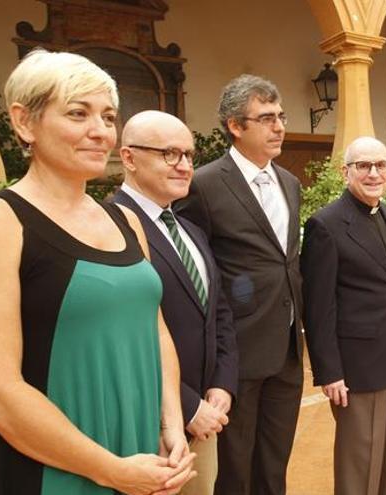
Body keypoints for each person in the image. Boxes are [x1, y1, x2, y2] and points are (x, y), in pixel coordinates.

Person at [0, 49, 195, 494]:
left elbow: (155, 330)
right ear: (25, 122)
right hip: (50, 470)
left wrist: (172, 426)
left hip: (138, 456)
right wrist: (110, 470)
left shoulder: (126, 220)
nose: (99, 131)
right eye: (78, 114)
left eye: (109, 116)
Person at [176, 74, 303, 495]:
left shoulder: (290, 183)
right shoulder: (204, 185)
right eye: (266, 118)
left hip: (286, 347)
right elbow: (196, 270)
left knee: (275, 460)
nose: (280, 126)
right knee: (235, 468)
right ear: (235, 125)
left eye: (281, 116)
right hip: (238, 353)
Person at [113, 110, 239, 494]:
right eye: (170, 154)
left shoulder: (192, 230)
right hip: (145, 420)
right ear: (129, 158)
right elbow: (126, 335)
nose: (185, 166)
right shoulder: (109, 226)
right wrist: (187, 407)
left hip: (206, 416)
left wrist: (222, 384)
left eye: (188, 154)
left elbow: (218, 312)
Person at [301, 136, 386, 495]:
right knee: (359, 457)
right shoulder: (326, 225)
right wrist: (329, 372)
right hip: (356, 365)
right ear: (345, 171)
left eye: (381, 165)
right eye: (363, 166)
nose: (374, 173)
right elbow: (318, 308)